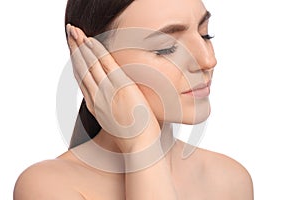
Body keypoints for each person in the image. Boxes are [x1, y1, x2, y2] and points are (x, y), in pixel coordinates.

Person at [13, 0, 254, 199]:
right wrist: (142, 146)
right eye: (166, 47)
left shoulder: (230, 180)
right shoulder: (47, 187)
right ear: (90, 60)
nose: (207, 60)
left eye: (205, 34)